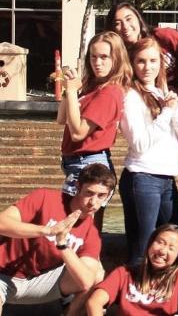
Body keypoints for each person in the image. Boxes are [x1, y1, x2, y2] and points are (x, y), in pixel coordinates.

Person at [0, 164, 113, 315]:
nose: (93, 202)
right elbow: (2, 223)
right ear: (78, 187)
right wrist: (46, 230)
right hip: (2, 276)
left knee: (97, 272)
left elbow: (86, 281)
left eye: (101, 196)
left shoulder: (91, 233)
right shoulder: (45, 198)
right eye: (89, 193)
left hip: (38, 283)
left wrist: (62, 244)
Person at [119, 37, 178, 267]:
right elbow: (140, 143)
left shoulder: (163, 93)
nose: (147, 67)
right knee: (143, 248)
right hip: (142, 176)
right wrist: (166, 114)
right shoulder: (130, 96)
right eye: (141, 61)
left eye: (153, 61)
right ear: (132, 63)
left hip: (166, 179)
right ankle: (133, 297)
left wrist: (175, 110)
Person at [57, 31, 131, 230]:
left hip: (89, 162)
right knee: (77, 227)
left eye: (104, 57)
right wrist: (68, 89)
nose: (97, 62)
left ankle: (89, 260)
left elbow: (78, 133)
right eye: (93, 57)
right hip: (76, 161)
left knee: (78, 228)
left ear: (116, 58)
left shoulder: (110, 92)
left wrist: (72, 91)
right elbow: (62, 119)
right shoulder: (93, 87)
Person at [85, 224, 178, 315]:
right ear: (149, 244)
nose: (162, 251)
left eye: (171, 248)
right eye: (159, 242)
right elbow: (94, 302)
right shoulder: (124, 273)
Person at [106, 2, 178, 90]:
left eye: (129, 19)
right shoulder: (120, 57)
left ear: (138, 18)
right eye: (117, 23)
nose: (125, 26)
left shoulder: (163, 36)